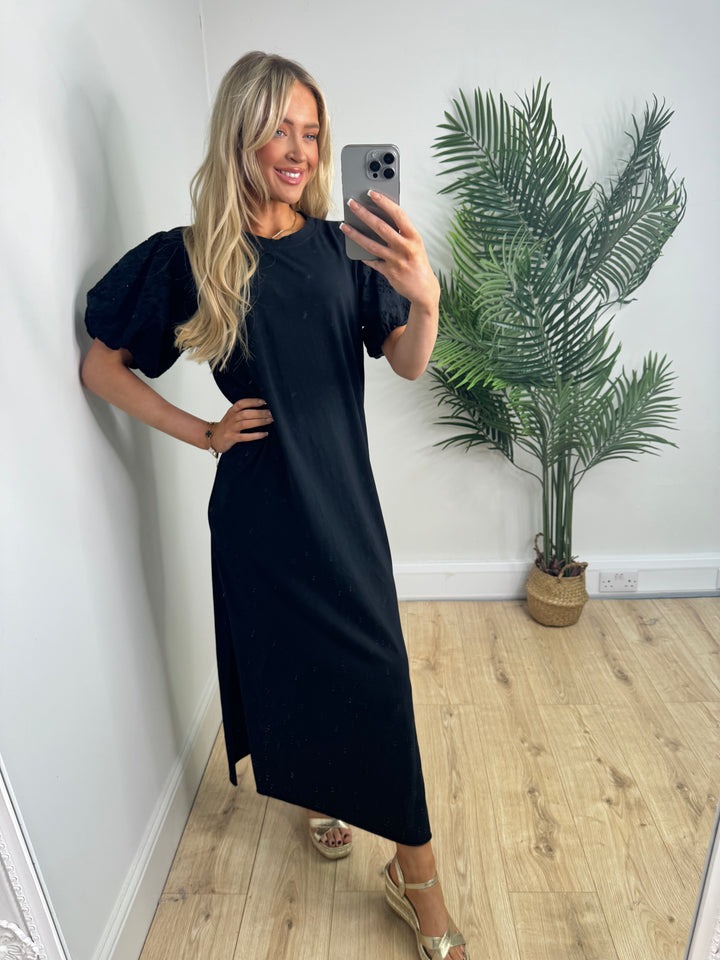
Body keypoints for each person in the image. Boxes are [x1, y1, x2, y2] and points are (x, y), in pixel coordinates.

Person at [80, 51, 468, 960]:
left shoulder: (345, 246)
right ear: (240, 135)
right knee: (295, 666)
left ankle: (413, 876)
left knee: (378, 673)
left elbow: (407, 362)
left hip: (343, 501)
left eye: (312, 132)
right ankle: (352, 820)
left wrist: (426, 300)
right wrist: (202, 432)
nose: (299, 150)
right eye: (280, 130)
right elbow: (102, 366)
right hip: (259, 513)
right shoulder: (189, 257)